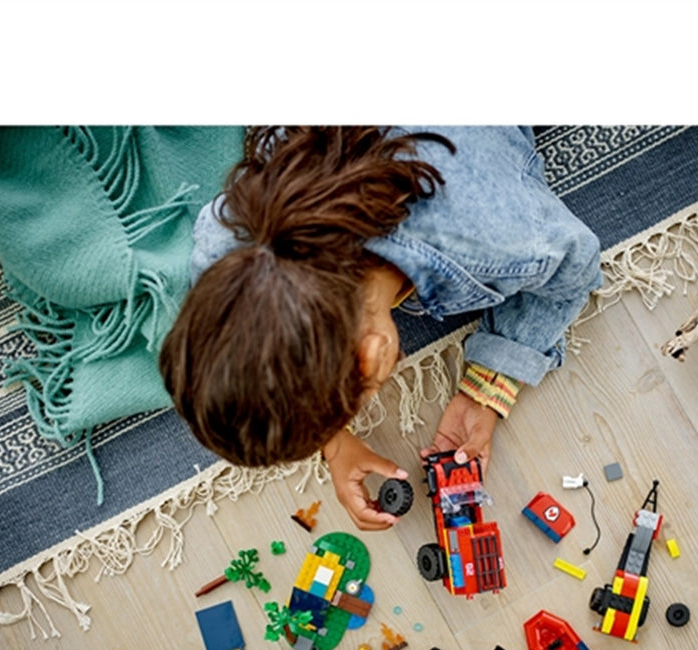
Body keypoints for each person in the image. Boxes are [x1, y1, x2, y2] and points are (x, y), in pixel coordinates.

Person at [159, 126, 602, 531]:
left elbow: (574, 268)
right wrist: (334, 443)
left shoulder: (497, 240)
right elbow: (214, 264)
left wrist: (493, 382)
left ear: (373, 357)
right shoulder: (235, 235)